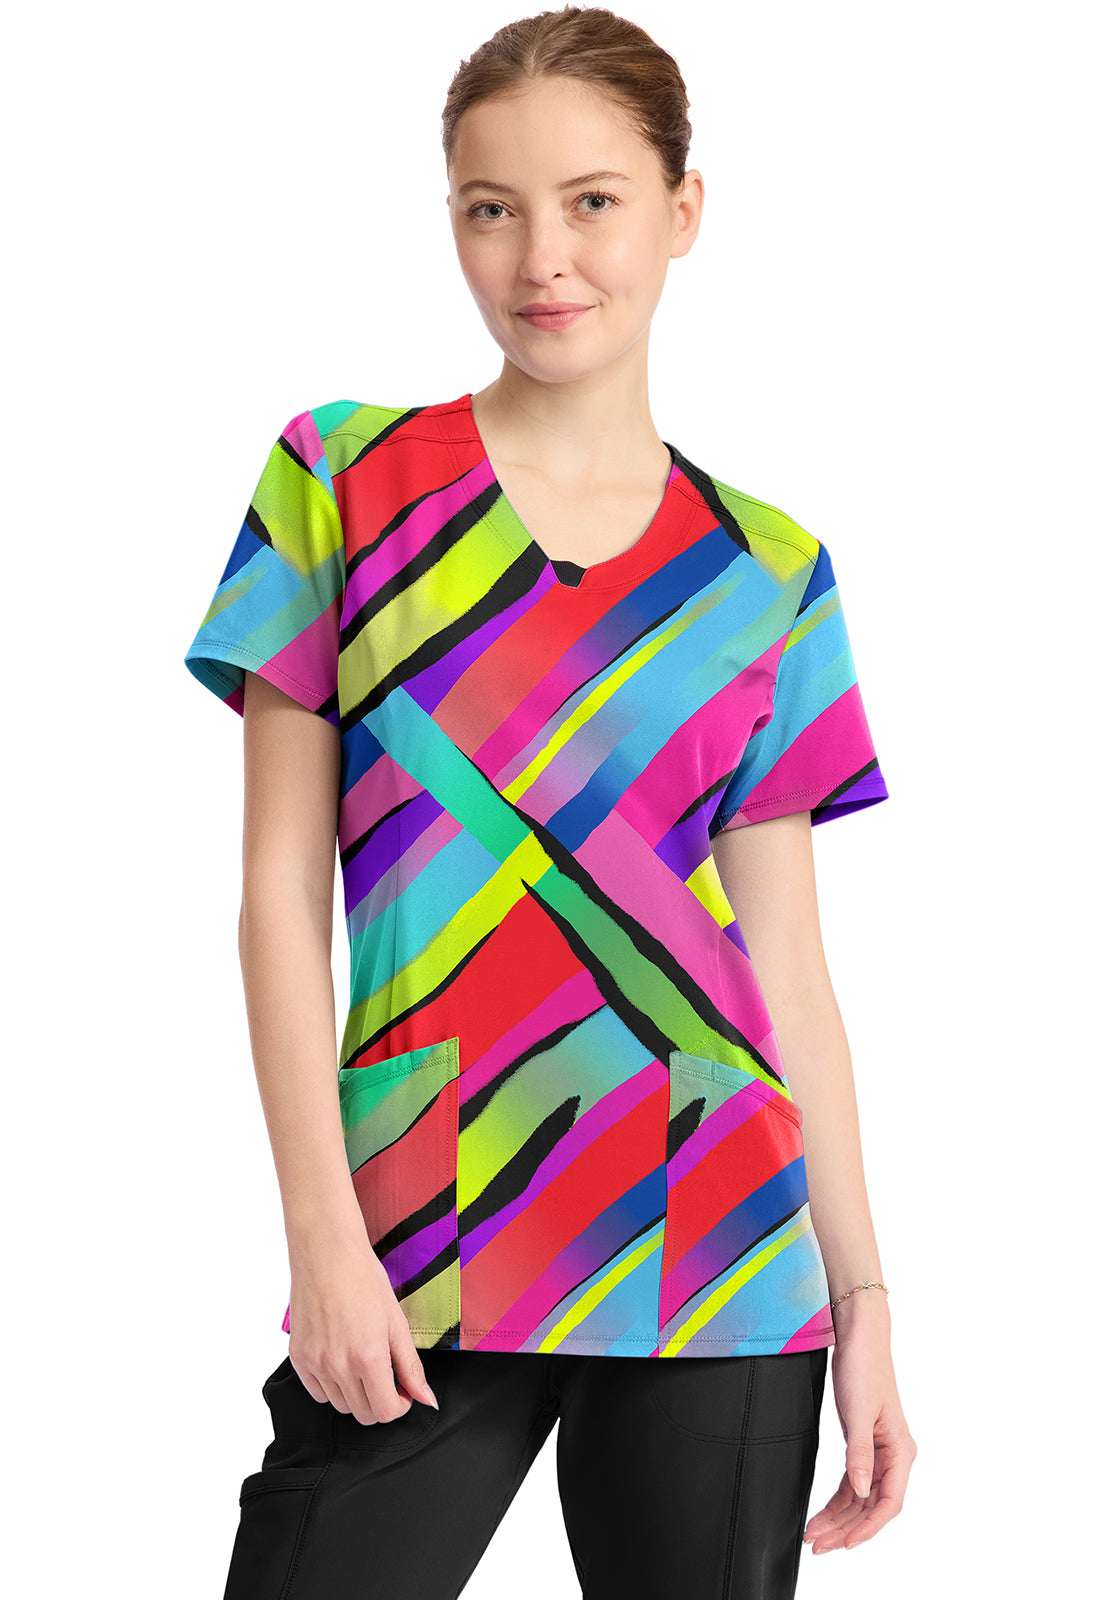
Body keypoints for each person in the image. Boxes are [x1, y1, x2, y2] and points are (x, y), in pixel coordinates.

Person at [183, 8, 916, 1597]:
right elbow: (274, 899)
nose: (543, 260)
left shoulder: (771, 573)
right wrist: (321, 1240)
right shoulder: (343, 483)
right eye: (491, 208)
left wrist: (863, 1299)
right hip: (421, 1230)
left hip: (720, 1245)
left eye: (593, 201)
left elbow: (790, 969)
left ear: (682, 210)